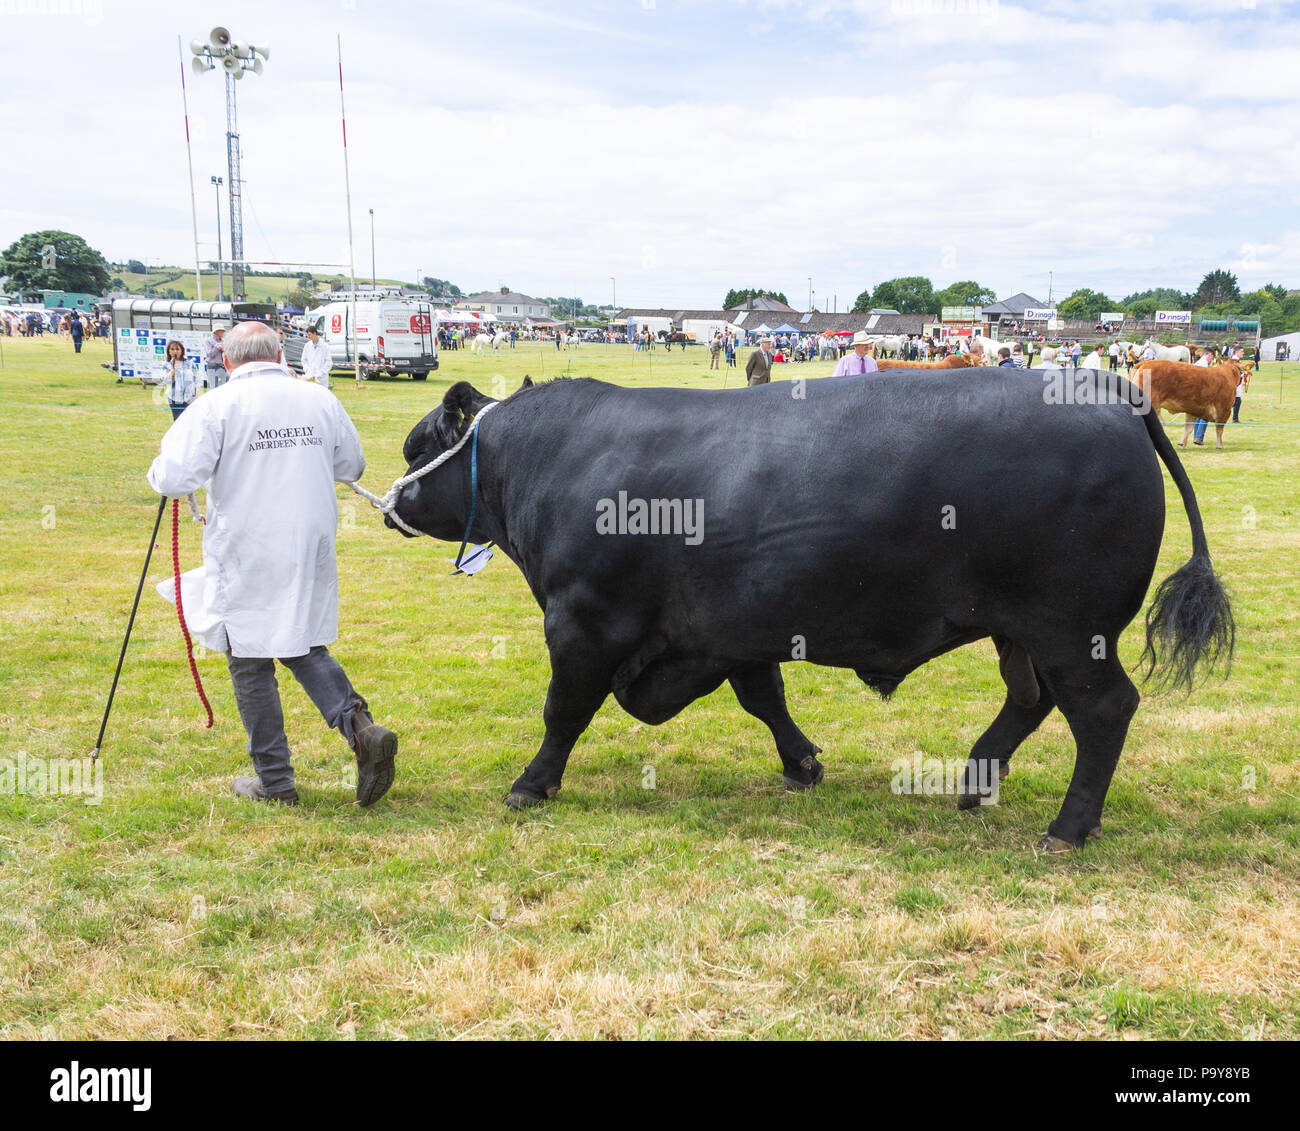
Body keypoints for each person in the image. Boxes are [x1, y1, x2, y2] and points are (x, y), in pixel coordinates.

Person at [145, 321, 397, 806]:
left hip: (248, 546)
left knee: (250, 659)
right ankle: (361, 730)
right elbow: (352, 467)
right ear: (282, 353)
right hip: (309, 539)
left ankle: (276, 784)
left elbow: (174, 477)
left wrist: (162, 459)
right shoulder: (318, 399)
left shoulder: (214, 406)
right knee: (303, 641)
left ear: (226, 358)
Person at [160, 340, 198, 420]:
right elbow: (164, 381)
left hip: (189, 397)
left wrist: (195, 395)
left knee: (190, 421)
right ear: (169, 351)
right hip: (174, 398)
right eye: (172, 349)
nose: (175, 351)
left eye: (177, 349)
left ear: (182, 350)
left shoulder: (189, 363)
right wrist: (172, 371)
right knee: (178, 421)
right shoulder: (166, 365)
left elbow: (196, 379)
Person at [1191, 347, 1218, 445]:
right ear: (1209, 355)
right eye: (1212, 357)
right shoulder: (1203, 365)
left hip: (1195, 393)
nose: (1212, 359)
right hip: (1202, 393)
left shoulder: (1197, 363)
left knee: (1198, 415)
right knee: (1206, 415)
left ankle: (1196, 436)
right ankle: (1199, 437)